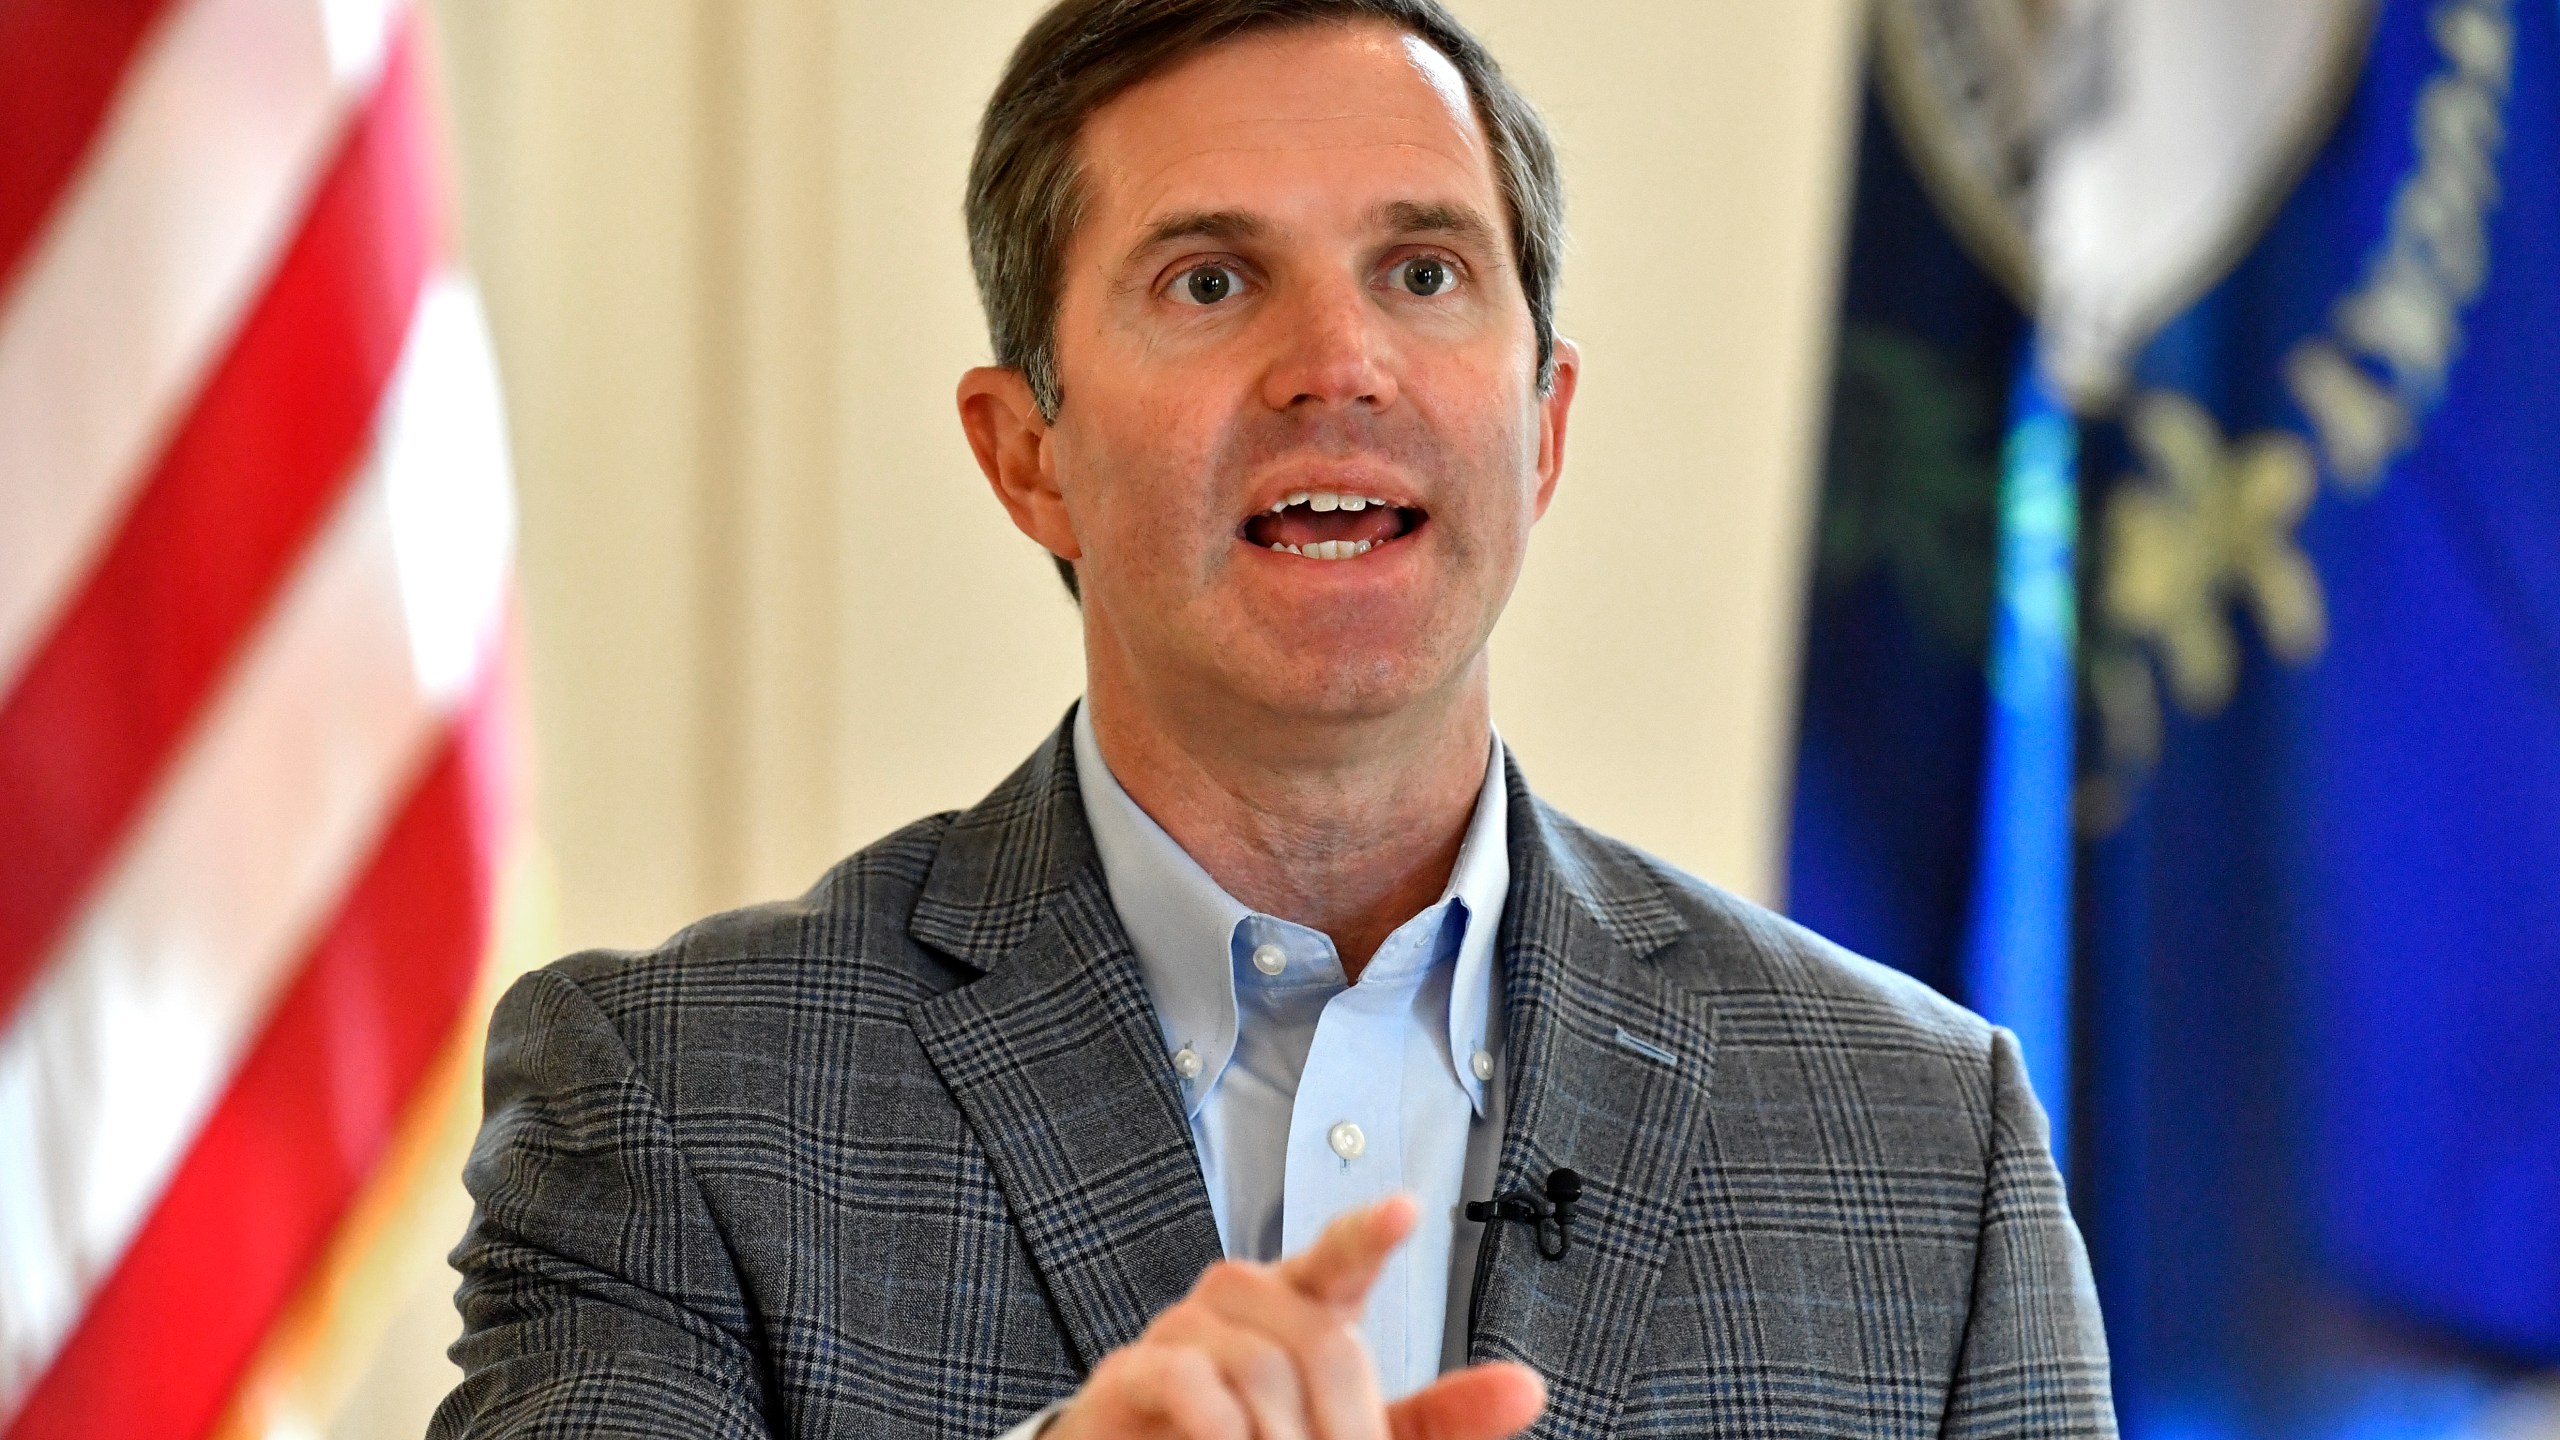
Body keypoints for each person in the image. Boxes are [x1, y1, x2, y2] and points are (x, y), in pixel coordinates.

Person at [431, 1, 2116, 1436]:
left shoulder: (1924, 1143)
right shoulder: (670, 1102)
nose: (1339, 362)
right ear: (1028, 454)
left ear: (1544, 426)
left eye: (1425, 270)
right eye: (1212, 283)